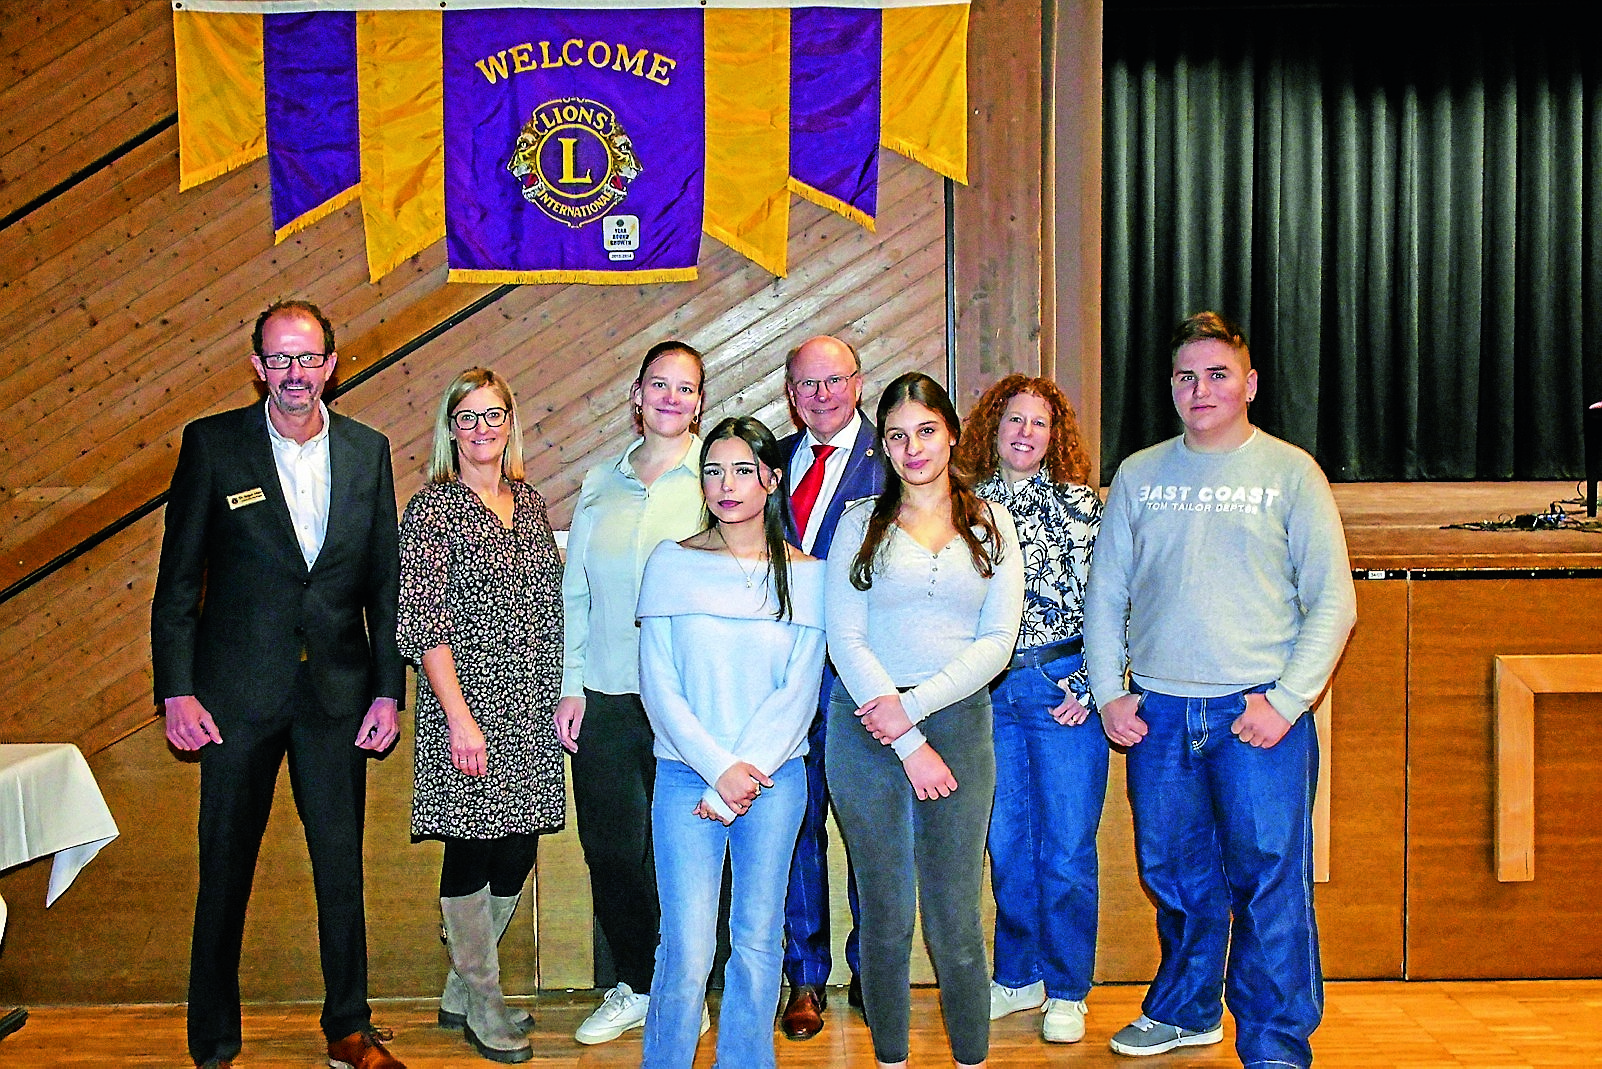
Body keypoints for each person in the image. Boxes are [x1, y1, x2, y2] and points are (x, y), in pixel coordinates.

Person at [1084, 312, 1357, 1067]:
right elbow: (1106, 596)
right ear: (1171, 386)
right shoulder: (1139, 475)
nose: (1200, 389)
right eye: (1186, 376)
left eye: (1217, 374)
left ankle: (1275, 1042)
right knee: (1174, 876)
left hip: (1256, 714)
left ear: (1250, 383)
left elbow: (1334, 602)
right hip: (1161, 715)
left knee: (1270, 882)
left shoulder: (1292, 474)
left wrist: (1287, 701)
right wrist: (1109, 692)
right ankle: (1187, 1010)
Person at [152, 300, 407, 1069]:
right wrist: (176, 689)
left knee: (341, 869)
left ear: (331, 362)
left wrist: (388, 690)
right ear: (258, 366)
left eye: (308, 357)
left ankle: (348, 1029)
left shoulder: (368, 450)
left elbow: (385, 583)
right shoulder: (212, 444)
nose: (295, 373)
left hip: (337, 695)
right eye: (280, 358)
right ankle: (213, 1043)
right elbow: (177, 582)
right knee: (224, 869)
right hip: (232, 698)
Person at [825, 372, 1024, 1069]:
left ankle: (971, 1060)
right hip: (865, 728)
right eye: (898, 436)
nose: (914, 448)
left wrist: (913, 712)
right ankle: (891, 1060)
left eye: (927, 431)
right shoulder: (859, 523)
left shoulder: (992, 523)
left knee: (955, 919)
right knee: (884, 917)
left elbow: (998, 642)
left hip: (958, 724)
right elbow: (845, 639)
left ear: (953, 433)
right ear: (883, 445)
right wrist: (907, 739)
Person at [636, 416, 827, 1069]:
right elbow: (658, 684)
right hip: (686, 776)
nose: (726, 484)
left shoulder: (807, 575)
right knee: (686, 947)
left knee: (757, 940)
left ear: (771, 480)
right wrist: (719, 770)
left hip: (775, 779)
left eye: (743, 470)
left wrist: (742, 776)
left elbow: (799, 693)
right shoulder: (672, 562)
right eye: (713, 471)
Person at [396, 368, 564, 1064]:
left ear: (509, 424)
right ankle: (483, 998)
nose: (481, 428)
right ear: (450, 429)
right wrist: (460, 719)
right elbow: (423, 621)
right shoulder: (432, 510)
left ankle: (461, 986)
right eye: (467, 417)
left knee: (518, 847)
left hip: (531, 708)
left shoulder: (529, 502)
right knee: (471, 845)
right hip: (466, 706)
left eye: (493, 415)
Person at [554, 340, 707, 1044]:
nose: (671, 397)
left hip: (692, 698)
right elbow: (575, 593)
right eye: (659, 384)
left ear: (699, 402)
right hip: (609, 693)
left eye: (686, 387)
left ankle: (687, 988)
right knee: (612, 849)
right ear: (637, 396)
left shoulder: (715, 478)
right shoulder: (600, 483)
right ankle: (639, 984)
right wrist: (570, 685)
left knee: (689, 853)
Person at [957, 375, 1105, 1046]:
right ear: (993, 429)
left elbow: (1112, 598)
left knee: (1067, 846)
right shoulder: (962, 507)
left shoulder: (1080, 506)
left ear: (1055, 436)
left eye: (1038, 423)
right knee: (1007, 843)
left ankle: (1068, 988)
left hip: (1061, 687)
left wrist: (1093, 684)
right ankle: (1019, 975)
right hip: (989, 694)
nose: (1024, 432)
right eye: (1013, 420)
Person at [775, 334, 884, 1040]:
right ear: (790, 394)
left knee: (871, 828)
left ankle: (874, 970)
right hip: (787, 675)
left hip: (865, 677)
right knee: (797, 826)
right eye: (807, 384)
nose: (821, 395)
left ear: (858, 382)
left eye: (834, 380)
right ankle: (805, 977)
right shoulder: (770, 462)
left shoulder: (893, 459)